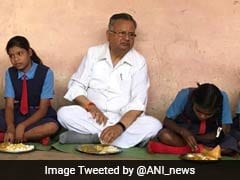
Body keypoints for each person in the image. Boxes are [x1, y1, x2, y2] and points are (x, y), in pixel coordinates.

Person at [57, 12, 162, 148]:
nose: (127, 38)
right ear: (109, 35)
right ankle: (119, 140)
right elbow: (76, 86)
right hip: (94, 118)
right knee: (64, 114)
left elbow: (138, 103)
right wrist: (90, 106)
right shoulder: (93, 54)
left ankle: (93, 139)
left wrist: (119, 127)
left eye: (131, 34)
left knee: (154, 125)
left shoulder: (139, 61)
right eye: (122, 33)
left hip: (123, 121)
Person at [148, 83, 239, 155]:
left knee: (230, 146)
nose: (202, 116)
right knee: (165, 135)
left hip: (209, 140)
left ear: (216, 109)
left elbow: (224, 128)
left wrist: (216, 134)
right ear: (194, 101)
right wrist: (183, 132)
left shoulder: (223, 98)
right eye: (198, 111)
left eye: (208, 114)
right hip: (184, 138)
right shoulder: (185, 94)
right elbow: (167, 121)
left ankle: (193, 149)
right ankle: (203, 150)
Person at [0, 36, 59, 144]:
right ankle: (33, 136)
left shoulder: (46, 73)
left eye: (20, 53)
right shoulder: (10, 73)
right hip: (17, 113)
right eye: (11, 56)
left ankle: (13, 137)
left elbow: (43, 109)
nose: (16, 59)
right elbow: (9, 106)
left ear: (29, 52)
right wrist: (10, 126)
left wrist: (22, 126)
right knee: (7, 121)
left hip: (38, 114)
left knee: (52, 127)